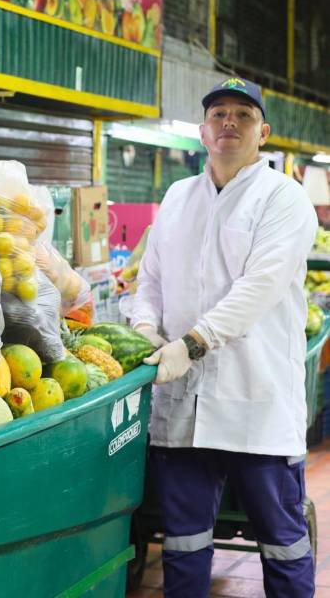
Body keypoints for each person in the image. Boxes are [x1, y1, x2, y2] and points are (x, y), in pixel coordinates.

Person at [131, 77, 317, 597]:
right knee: (183, 545)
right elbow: (149, 280)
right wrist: (144, 326)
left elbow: (259, 287)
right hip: (182, 409)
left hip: (254, 404)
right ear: (202, 131)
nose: (229, 122)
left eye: (243, 114)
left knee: (282, 543)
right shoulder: (178, 196)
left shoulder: (284, 198)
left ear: (264, 132)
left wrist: (190, 343)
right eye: (218, 114)